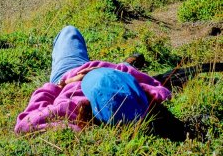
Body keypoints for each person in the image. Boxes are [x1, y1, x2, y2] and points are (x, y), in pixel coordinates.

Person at [15, 25, 171, 133]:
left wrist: (59, 85)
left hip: (71, 72)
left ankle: (126, 63)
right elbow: (160, 90)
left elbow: (24, 125)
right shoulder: (140, 102)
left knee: (69, 31)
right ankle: (128, 62)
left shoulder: (70, 108)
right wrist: (118, 70)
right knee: (124, 66)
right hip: (112, 70)